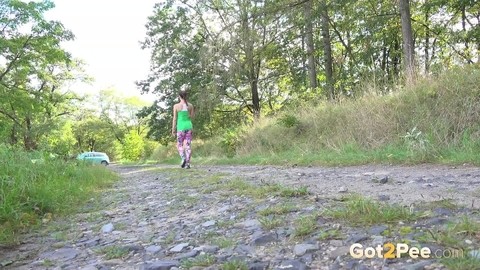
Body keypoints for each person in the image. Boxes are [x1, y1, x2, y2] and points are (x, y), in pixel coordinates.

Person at [171, 90, 194, 169]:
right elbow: (191, 117)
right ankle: (187, 164)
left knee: (179, 144)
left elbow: (174, 119)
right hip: (189, 126)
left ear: (179, 96)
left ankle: (183, 158)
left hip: (180, 127)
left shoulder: (176, 106)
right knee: (188, 146)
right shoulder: (190, 106)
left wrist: (173, 130)